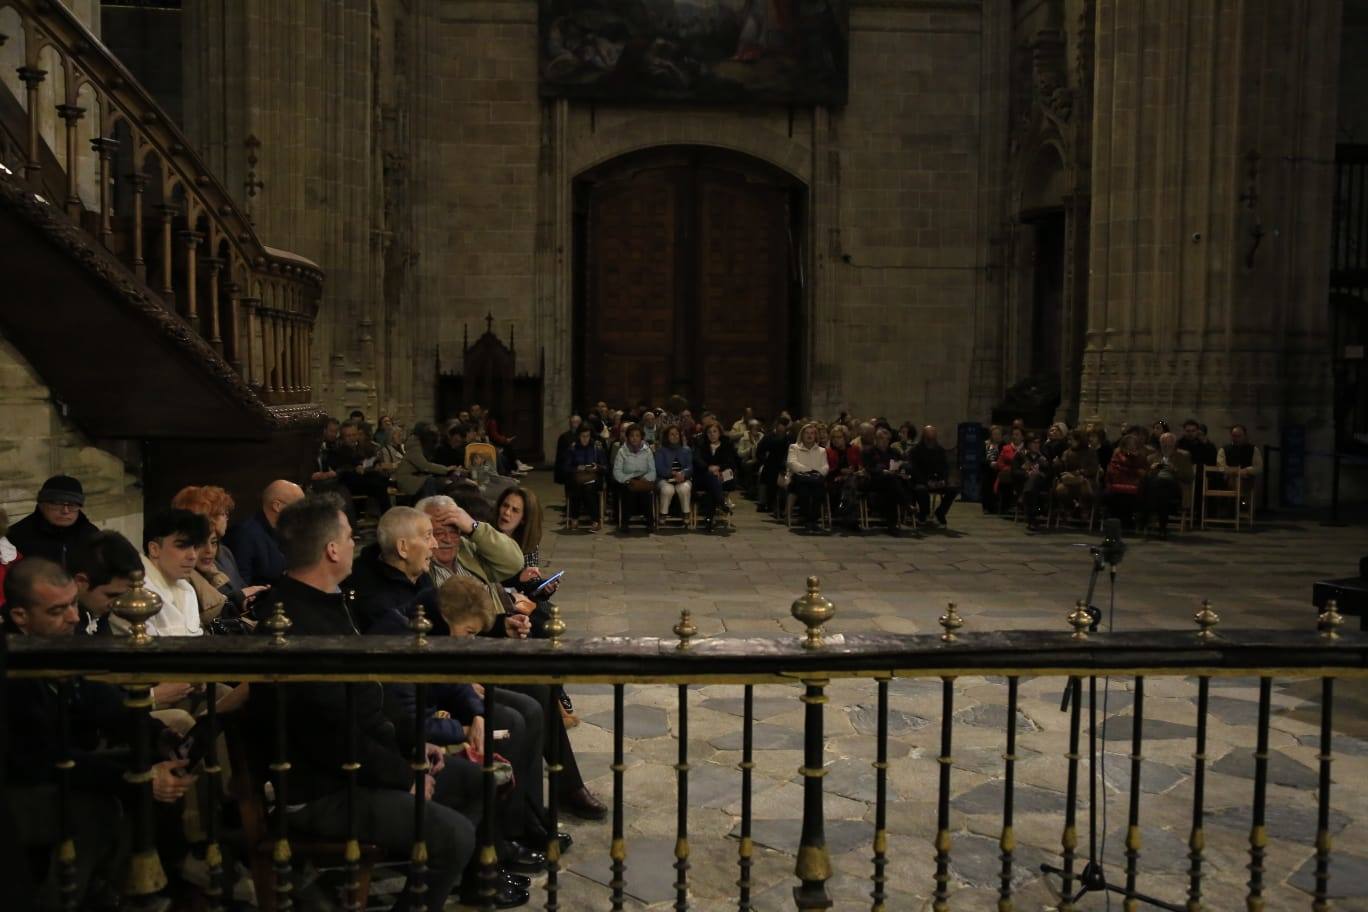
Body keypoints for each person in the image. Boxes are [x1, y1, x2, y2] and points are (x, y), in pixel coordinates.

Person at [246, 495, 478, 910]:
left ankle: (435, 877)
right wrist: (403, 776)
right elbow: (334, 735)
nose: (356, 545)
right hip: (321, 788)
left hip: (357, 765)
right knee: (455, 835)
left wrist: (413, 742)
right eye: (351, 537)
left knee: (477, 781)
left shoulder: (329, 603)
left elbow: (371, 699)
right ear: (331, 549)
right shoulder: (294, 623)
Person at [5, 558, 194, 911]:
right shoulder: (14, 666)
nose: (75, 618)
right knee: (94, 807)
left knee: (153, 759)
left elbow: (103, 704)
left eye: (74, 604)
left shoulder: (55, 643)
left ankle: (151, 880)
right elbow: (44, 759)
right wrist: (137, 780)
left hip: (60, 765)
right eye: (58, 610)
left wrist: (158, 736)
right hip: (20, 787)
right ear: (19, 616)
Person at [109, 509, 210, 638]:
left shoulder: (187, 589)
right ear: (154, 549)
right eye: (182, 546)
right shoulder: (133, 592)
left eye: (195, 547)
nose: (193, 556)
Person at [223, 479, 304, 589]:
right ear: (277, 506)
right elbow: (241, 587)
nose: (303, 513)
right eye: (300, 506)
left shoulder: (289, 532)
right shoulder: (244, 535)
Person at [7, 474, 101, 568]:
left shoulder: (92, 535)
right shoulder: (17, 536)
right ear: (41, 504)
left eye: (72, 505)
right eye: (57, 504)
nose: (65, 511)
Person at [68, 530, 142, 635]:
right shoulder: (62, 628)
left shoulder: (99, 614)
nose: (118, 604)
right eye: (112, 595)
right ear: (80, 582)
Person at [1141, 432, 1194, 537]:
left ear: (1174, 444)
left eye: (1169, 443)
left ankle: (1146, 517)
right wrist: (1152, 470)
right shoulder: (1151, 458)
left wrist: (1174, 469)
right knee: (1160, 490)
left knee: (1161, 485)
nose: (1166, 446)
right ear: (1160, 444)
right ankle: (1162, 528)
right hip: (1157, 488)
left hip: (1175, 486)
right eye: (1164, 443)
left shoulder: (1182, 456)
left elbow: (1189, 477)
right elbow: (1144, 477)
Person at [861, 427, 911, 534]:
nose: (885, 442)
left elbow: (903, 463)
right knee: (891, 481)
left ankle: (892, 525)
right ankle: (906, 504)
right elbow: (869, 468)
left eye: (887, 440)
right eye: (882, 439)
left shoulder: (893, 452)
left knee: (891, 487)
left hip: (890, 482)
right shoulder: (868, 452)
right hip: (873, 481)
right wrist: (882, 471)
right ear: (876, 439)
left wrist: (902, 469)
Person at [395, 422, 463, 501]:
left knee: (443, 483)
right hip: (408, 480)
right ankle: (428, 505)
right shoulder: (414, 447)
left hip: (418, 477)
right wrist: (446, 469)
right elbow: (424, 466)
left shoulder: (425, 445)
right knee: (430, 482)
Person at [907, 425, 958, 526]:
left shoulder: (940, 451)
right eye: (929, 438)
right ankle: (923, 513)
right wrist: (926, 482)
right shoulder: (915, 451)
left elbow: (945, 468)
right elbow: (914, 470)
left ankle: (940, 512)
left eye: (933, 438)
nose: (931, 441)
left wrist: (943, 480)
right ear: (924, 437)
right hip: (921, 480)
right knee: (921, 490)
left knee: (953, 489)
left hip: (937, 480)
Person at [693, 421, 739, 532]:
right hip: (704, 477)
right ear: (706, 434)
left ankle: (710, 519)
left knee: (713, 486)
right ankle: (721, 503)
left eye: (714, 431)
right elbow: (697, 460)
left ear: (719, 433)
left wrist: (718, 468)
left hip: (723, 477)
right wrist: (709, 468)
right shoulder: (701, 445)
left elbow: (731, 463)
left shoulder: (727, 445)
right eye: (709, 432)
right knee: (712, 480)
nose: (712, 434)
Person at [560, 424, 607, 530]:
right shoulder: (573, 447)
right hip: (578, 477)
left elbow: (605, 467)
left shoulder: (597, 447)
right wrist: (577, 468)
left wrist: (597, 467)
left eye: (587, 436)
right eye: (583, 436)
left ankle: (595, 520)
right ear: (579, 436)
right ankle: (574, 518)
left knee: (589, 490)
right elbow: (566, 467)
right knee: (575, 488)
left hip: (593, 478)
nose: (585, 439)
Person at [612, 424, 657, 533]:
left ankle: (650, 522)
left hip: (643, 480)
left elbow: (653, 471)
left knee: (645, 493)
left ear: (641, 437)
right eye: (632, 435)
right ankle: (625, 523)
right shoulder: (622, 451)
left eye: (637, 435)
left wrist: (645, 478)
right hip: (628, 480)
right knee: (628, 491)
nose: (634, 438)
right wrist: (628, 479)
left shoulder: (647, 451)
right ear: (628, 437)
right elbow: (617, 472)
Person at [786, 422, 829, 532]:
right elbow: (792, 463)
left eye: (812, 433)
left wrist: (817, 473)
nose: (809, 436)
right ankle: (807, 520)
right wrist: (809, 471)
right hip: (799, 478)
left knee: (819, 491)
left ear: (815, 436)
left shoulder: (822, 450)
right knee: (804, 490)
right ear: (802, 434)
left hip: (815, 479)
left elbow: (825, 466)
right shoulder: (794, 447)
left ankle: (813, 521)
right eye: (807, 433)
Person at [1104, 433, 1148, 529]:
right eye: (1129, 445)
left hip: (1133, 486)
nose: (1131, 448)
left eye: (1133, 445)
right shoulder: (1117, 455)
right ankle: (1116, 522)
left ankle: (1127, 521)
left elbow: (1142, 472)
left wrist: (1134, 466)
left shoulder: (1140, 457)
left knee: (1132, 497)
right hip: (1117, 484)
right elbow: (1112, 470)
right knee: (1115, 496)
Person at [654, 424, 695, 524]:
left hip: (682, 479)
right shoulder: (661, 451)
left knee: (684, 488)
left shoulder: (686, 450)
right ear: (667, 437)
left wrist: (683, 473)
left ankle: (686, 513)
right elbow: (659, 469)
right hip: (665, 479)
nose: (675, 436)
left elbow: (690, 467)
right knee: (668, 489)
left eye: (677, 434)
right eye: (671, 434)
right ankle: (663, 514)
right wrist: (672, 473)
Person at [755, 416, 793, 514]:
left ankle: (778, 504)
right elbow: (760, 451)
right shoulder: (768, 437)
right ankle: (766, 502)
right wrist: (764, 460)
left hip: (785, 464)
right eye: (779, 426)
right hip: (770, 463)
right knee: (767, 474)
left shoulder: (789, 439)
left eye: (783, 426)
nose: (781, 429)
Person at [552, 415, 582, 485]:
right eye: (573, 422)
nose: (575, 424)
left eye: (577, 422)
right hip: (569, 467)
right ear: (570, 423)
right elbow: (560, 455)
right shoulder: (564, 437)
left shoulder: (584, 435)